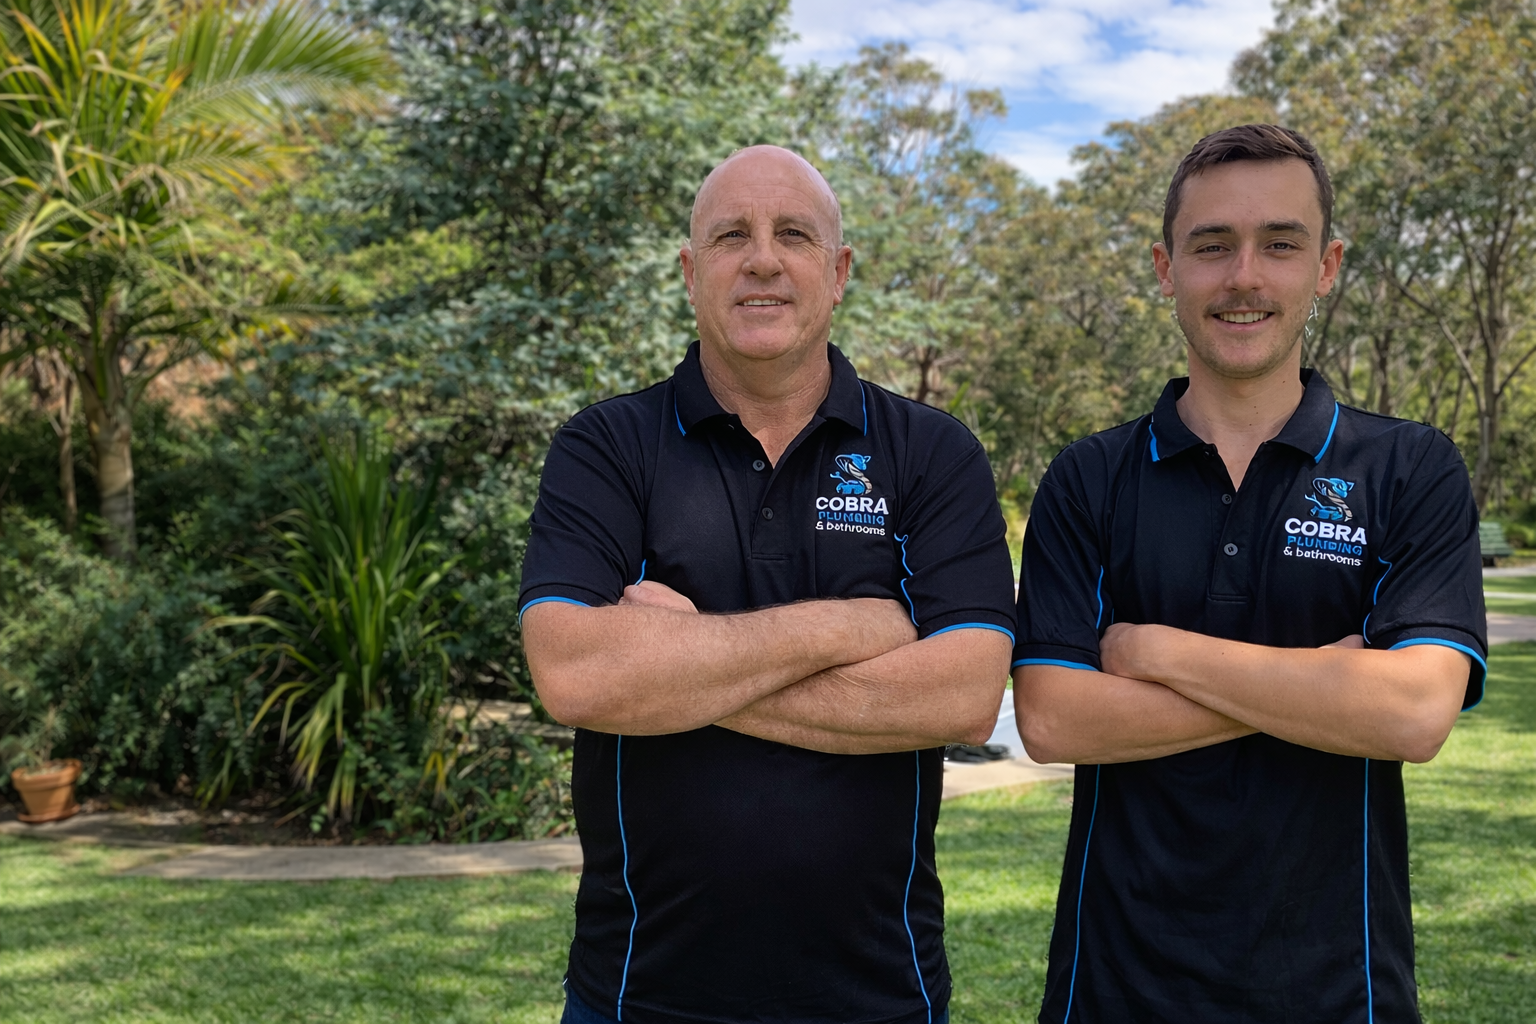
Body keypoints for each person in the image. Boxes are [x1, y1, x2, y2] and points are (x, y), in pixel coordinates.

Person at [519, 145, 1017, 1024]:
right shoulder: (607, 448)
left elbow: (968, 695)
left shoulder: (932, 454)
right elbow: (575, 675)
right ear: (690, 272)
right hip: (639, 995)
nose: (761, 257)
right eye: (730, 236)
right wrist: (855, 627)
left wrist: (676, 667)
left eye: (793, 233)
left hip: (882, 996)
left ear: (838, 272)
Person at [1012, 124, 1487, 1023]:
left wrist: (1153, 650)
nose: (1244, 276)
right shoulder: (1091, 477)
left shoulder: (1409, 467)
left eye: (1280, 243)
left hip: (1341, 993)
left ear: (1327, 265)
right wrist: (1326, 682)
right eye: (1212, 246)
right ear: (1165, 268)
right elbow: (1050, 715)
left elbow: (1415, 713)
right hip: (1114, 992)